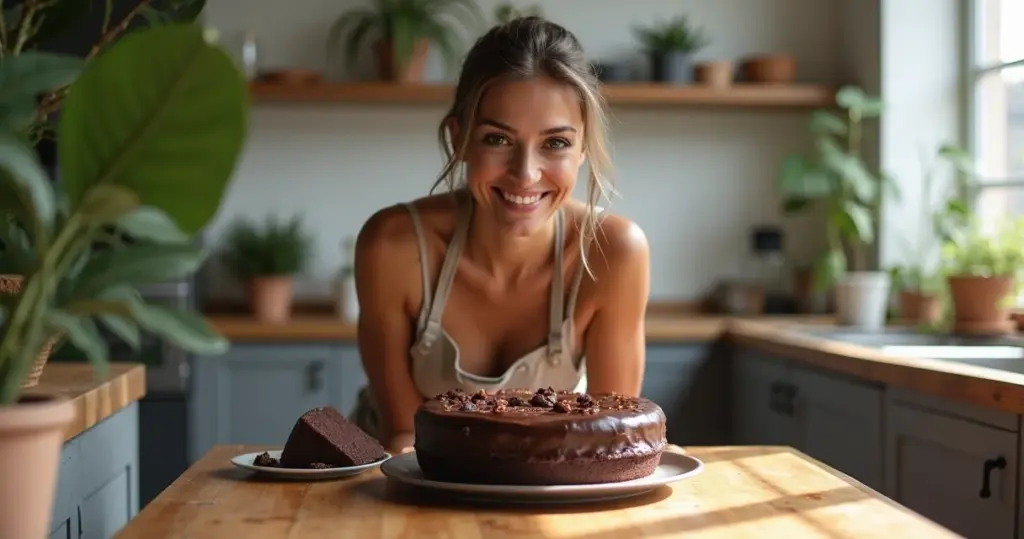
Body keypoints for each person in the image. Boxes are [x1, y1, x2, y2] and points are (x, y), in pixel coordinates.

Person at [351, 16, 651, 456]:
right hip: (402, 471)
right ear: (459, 140)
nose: (525, 174)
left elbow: (611, 440)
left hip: (538, 472)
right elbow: (405, 436)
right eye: (497, 139)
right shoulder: (392, 246)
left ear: (583, 147)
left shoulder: (614, 252)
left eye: (555, 143)